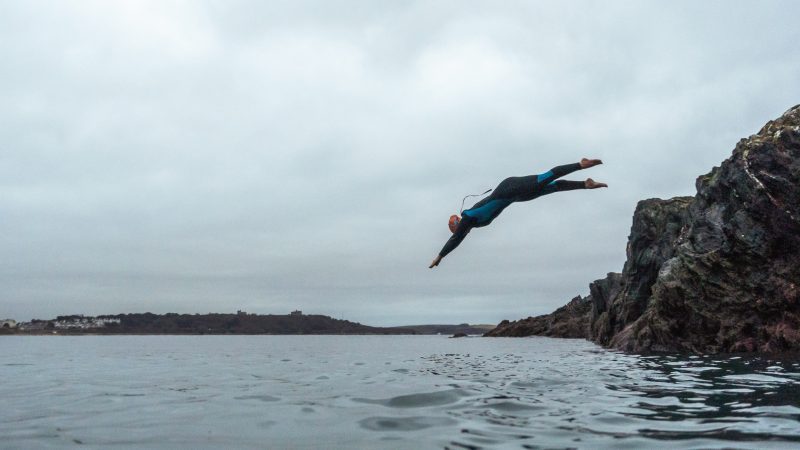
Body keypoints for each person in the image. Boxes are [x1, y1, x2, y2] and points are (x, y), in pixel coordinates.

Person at [429, 158, 607, 268]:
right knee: (552, 188)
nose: (460, 231)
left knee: (545, 178)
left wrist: (440, 257)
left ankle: (580, 164)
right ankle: (586, 184)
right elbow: (458, 237)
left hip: (510, 187)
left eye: (457, 228)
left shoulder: (468, 217)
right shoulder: (474, 223)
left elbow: (455, 239)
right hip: (516, 197)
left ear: (458, 224)